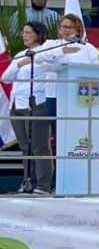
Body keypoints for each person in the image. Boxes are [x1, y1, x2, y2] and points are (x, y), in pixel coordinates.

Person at [35, 14, 99, 194]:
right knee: (55, 140)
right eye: (64, 27)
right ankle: (52, 182)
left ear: (78, 29)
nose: (66, 30)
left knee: (73, 142)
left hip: (79, 100)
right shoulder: (51, 45)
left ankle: (73, 181)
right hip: (54, 97)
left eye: (70, 27)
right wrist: (61, 51)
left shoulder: (88, 49)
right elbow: (39, 59)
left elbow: (97, 71)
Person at [1, 22, 49, 193]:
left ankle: (43, 185)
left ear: (38, 34)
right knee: (25, 147)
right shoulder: (21, 54)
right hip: (17, 104)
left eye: (28, 32)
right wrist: (20, 64)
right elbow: (6, 78)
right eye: (23, 32)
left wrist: (24, 64)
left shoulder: (45, 52)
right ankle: (28, 181)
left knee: (39, 146)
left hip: (36, 103)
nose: (24, 35)